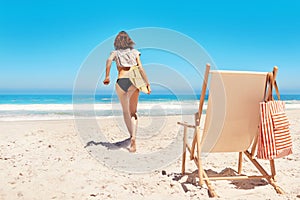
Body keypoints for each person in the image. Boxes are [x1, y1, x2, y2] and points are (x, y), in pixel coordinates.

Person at [103, 31, 151, 152]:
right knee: (133, 112)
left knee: (125, 111)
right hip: (134, 81)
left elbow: (108, 61)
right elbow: (140, 67)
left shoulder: (115, 53)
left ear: (117, 42)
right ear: (129, 41)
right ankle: (133, 137)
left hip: (121, 80)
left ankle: (130, 136)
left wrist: (107, 76)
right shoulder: (135, 52)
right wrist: (147, 83)